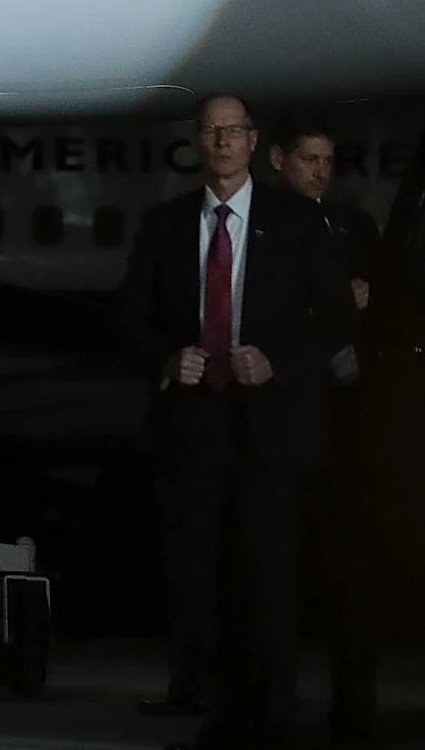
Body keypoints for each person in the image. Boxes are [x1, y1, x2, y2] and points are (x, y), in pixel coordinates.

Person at [117, 94, 354, 750]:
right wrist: (168, 358)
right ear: (199, 141)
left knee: (269, 575)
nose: (222, 141)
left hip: (270, 425)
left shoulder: (298, 222)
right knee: (197, 574)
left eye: (233, 131)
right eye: (211, 131)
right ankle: (206, 700)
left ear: (254, 143)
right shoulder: (166, 225)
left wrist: (276, 364)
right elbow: (129, 315)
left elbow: (337, 315)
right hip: (192, 425)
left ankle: (271, 712)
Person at [271, 117, 380, 743]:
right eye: (309, 159)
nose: (320, 171)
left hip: (346, 416)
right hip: (289, 412)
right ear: (280, 160)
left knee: (350, 571)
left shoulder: (352, 225)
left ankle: (352, 707)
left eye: (328, 160)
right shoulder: (266, 226)